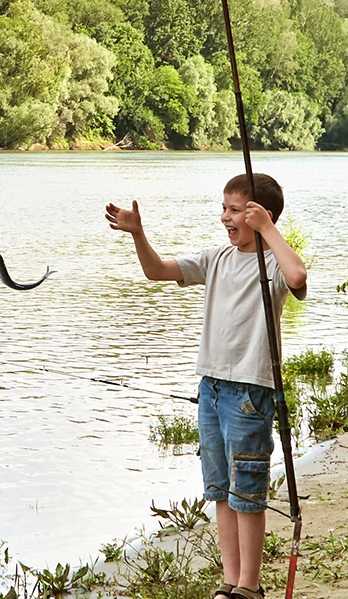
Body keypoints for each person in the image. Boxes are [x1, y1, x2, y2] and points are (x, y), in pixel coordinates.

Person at [105, 173, 307, 599]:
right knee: (220, 488)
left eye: (235, 211)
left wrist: (269, 229)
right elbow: (156, 272)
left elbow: (298, 276)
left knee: (247, 490)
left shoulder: (271, 262)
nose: (225, 218)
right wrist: (138, 235)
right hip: (211, 388)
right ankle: (230, 582)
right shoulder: (217, 258)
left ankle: (249, 587)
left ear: (259, 215)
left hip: (250, 391)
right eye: (225, 208)